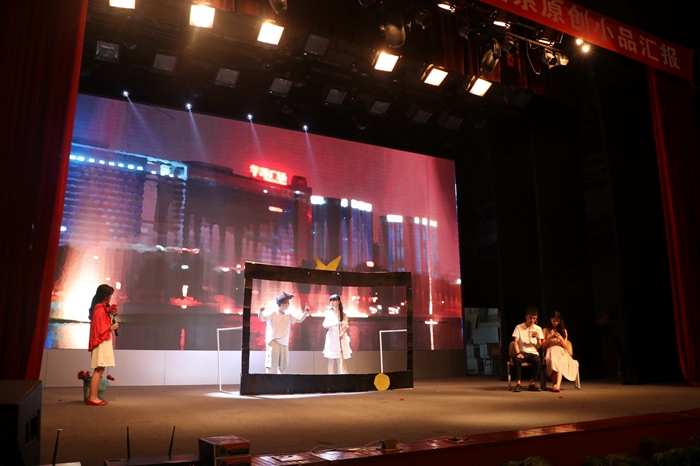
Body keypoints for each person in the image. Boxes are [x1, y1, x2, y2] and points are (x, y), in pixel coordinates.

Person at [258, 292, 310, 374]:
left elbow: (299, 320)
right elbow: (262, 318)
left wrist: (306, 312)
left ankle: (281, 382)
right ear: (282, 304)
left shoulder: (288, 315)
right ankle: (269, 382)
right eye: (287, 302)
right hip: (274, 342)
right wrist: (261, 311)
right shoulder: (273, 313)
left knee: (282, 368)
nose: (289, 304)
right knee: (270, 367)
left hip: (284, 343)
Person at [87, 284, 119, 406]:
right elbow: (100, 328)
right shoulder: (99, 308)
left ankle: (94, 397)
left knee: (100, 369)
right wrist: (112, 327)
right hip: (101, 341)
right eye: (110, 295)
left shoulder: (100, 307)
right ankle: (92, 397)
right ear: (106, 296)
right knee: (99, 369)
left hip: (103, 340)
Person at [543, 311, 579, 392]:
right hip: (551, 350)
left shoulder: (564, 331)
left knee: (561, 362)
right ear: (551, 319)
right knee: (553, 361)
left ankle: (557, 385)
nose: (556, 323)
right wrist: (550, 337)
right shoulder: (545, 330)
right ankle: (555, 384)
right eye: (554, 321)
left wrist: (560, 338)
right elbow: (543, 346)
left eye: (557, 321)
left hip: (561, 351)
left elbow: (565, 346)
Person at [511, 306, 544, 392]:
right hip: (523, 351)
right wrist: (518, 353)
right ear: (526, 316)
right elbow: (516, 342)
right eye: (530, 318)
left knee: (538, 362)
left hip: (533, 352)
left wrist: (538, 338)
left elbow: (539, 346)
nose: (532, 320)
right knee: (517, 360)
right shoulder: (519, 327)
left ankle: (532, 383)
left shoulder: (538, 329)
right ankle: (518, 384)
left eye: (534, 318)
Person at [323, 294, 352, 374]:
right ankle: (331, 377)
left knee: (340, 359)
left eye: (334, 301)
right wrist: (335, 324)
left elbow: (345, 326)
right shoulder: (328, 313)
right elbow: (325, 325)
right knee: (331, 359)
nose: (331, 303)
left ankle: (340, 376)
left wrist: (342, 334)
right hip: (331, 337)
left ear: (338, 302)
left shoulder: (343, 314)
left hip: (340, 337)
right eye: (331, 301)